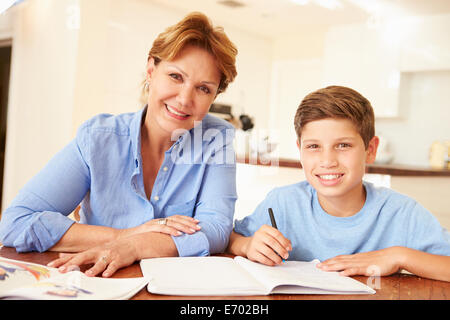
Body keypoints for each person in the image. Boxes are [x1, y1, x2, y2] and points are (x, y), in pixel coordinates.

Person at [0, 12, 238, 277]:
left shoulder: (217, 137)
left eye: (203, 88)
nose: (184, 99)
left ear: (215, 95)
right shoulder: (99, 138)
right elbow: (15, 222)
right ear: (151, 70)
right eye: (175, 76)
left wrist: (136, 247)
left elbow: (216, 228)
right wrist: (128, 235)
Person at [227, 85, 450, 282]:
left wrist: (399, 256)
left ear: (370, 150)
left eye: (343, 145)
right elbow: (228, 237)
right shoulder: (283, 203)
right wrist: (246, 245)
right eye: (313, 146)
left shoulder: (401, 214)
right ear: (300, 150)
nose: (327, 161)